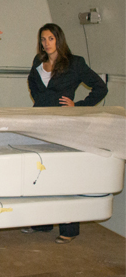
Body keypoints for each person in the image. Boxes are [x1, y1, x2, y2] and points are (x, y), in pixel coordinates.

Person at [24, 22, 108, 244]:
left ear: (59, 39)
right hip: (40, 123)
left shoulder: (75, 63)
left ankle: (69, 229)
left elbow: (100, 87)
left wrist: (78, 106)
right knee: (40, 172)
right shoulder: (38, 61)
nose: (46, 43)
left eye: (50, 38)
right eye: (43, 39)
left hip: (64, 125)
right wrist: (41, 100)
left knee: (64, 176)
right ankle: (42, 223)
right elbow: (32, 83)